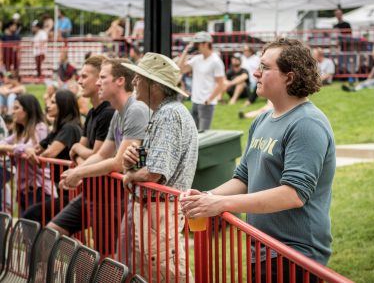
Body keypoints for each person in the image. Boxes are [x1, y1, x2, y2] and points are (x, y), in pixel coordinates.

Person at [181, 38, 336, 283]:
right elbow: (243, 178)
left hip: (294, 255)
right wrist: (206, 197)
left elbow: (293, 194)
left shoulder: (307, 123)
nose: (255, 72)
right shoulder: (262, 120)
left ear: (289, 77)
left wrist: (223, 204)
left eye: (264, 67)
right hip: (263, 248)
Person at [58, 58, 149, 253]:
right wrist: (74, 172)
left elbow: (118, 163)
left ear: (120, 81)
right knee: (111, 255)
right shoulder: (118, 113)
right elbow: (101, 155)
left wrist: (79, 174)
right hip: (128, 197)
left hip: (140, 201)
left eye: (102, 77)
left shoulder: (136, 110)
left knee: (121, 259)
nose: (98, 82)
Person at [121, 52, 198, 281]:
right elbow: (153, 164)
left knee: (168, 274)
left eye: (139, 77)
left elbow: (155, 172)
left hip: (160, 212)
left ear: (154, 84)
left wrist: (131, 176)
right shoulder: (164, 112)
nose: (134, 81)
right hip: (157, 211)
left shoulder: (170, 114)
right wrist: (132, 160)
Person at [47, 55, 116, 252]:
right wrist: (79, 153)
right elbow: (79, 151)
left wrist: (78, 151)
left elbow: (96, 153)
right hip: (89, 192)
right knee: (52, 231)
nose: (79, 81)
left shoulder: (108, 112)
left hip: (106, 197)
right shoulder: (94, 113)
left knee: (106, 254)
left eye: (84, 76)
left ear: (99, 79)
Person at [23, 90, 82, 224]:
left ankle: (40, 246)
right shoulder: (58, 129)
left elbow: (50, 153)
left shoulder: (70, 128)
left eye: (53, 102)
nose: (48, 105)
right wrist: (30, 150)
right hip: (63, 189)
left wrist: (36, 156)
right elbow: (38, 148)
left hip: (73, 192)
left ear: (64, 105)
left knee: (31, 215)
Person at [0, 94, 52, 213]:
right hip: (23, 190)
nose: (12, 112)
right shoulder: (20, 131)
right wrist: (13, 148)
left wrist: (9, 148)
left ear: (27, 110)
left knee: (37, 228)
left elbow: (32, 148)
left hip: (39, 190)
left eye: (16, 108)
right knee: (27, 228)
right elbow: (4, 142)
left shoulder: (40, 127)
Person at [178, 31, 225, 132]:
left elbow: (221, 84)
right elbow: (180, 69)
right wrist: (185, 52)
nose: (195, 46)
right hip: (195, 101)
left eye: (197, 43)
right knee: (193, 134)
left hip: (206, 103)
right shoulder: (196, 59)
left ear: (206, 43)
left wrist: (209, 100)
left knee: (204, 134)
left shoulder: (216, 61)